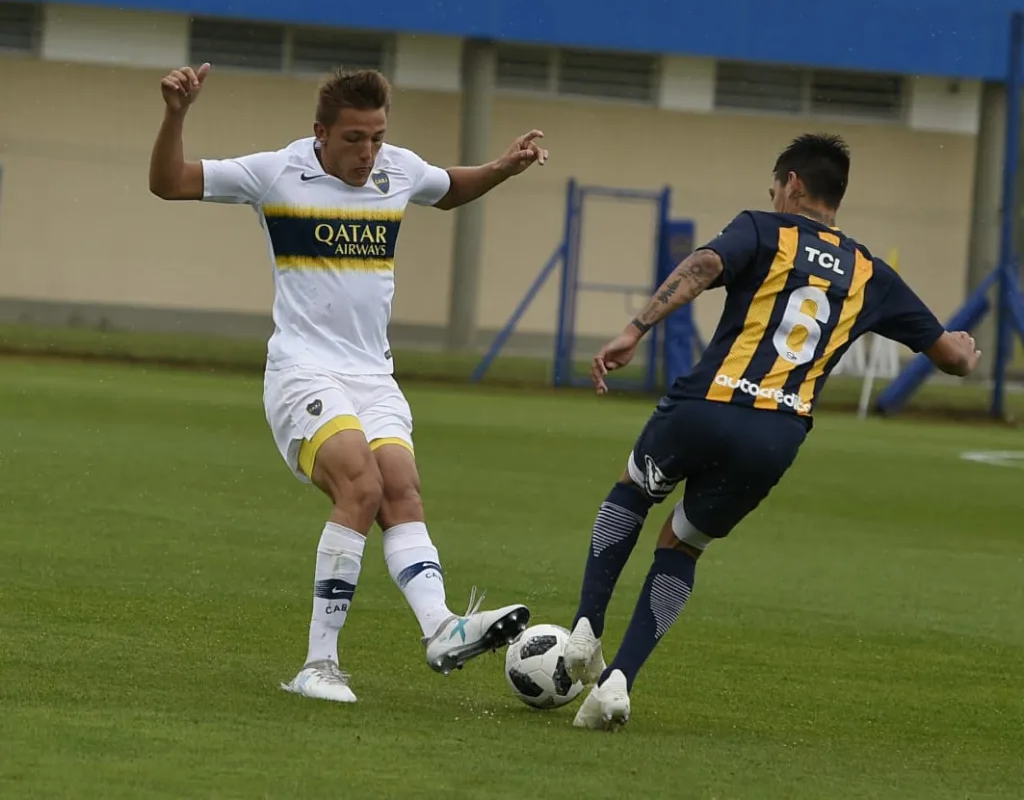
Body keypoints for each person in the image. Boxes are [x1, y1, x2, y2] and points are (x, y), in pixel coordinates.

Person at [148, 62, 548, 704]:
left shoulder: (399, 171)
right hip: (301, 371)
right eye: (354, 138)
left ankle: (441, 626)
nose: (368, 153)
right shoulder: (274, 173)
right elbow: (168, 182)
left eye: (377, 137)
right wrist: (176, 114)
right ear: (320, 133)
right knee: (359, 483)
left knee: (400, 488)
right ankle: (318, 665)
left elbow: (447, 188)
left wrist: (502, 167)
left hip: (373, 375)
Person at [562, 133, 981, 731]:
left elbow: (706, 264)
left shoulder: (764, 228)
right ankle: (618, 683)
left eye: (775, 187)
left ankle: (585, 629)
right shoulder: (872, 274)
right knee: (683, 544)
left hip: (706, 406)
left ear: (794, 186)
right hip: (776, 435)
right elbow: (949, 357)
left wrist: (636, 327)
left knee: (633, 489)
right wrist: (966, 353)